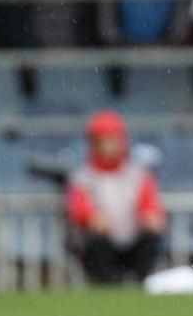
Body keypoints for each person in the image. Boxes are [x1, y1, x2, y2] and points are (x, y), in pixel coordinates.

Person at [66, 110, 166, 284]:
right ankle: (107, 282)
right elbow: (77, 208)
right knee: (95, 242)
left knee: (151, 239)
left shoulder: (138, 174)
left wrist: (151, 217)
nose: (110, 146)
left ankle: (141, 282)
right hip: (102, 242)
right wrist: (90, 217)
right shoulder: (82, 177)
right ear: (94, 144)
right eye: (104, 141)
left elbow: (150, 206)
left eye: (113, 140)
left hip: (133, 239)